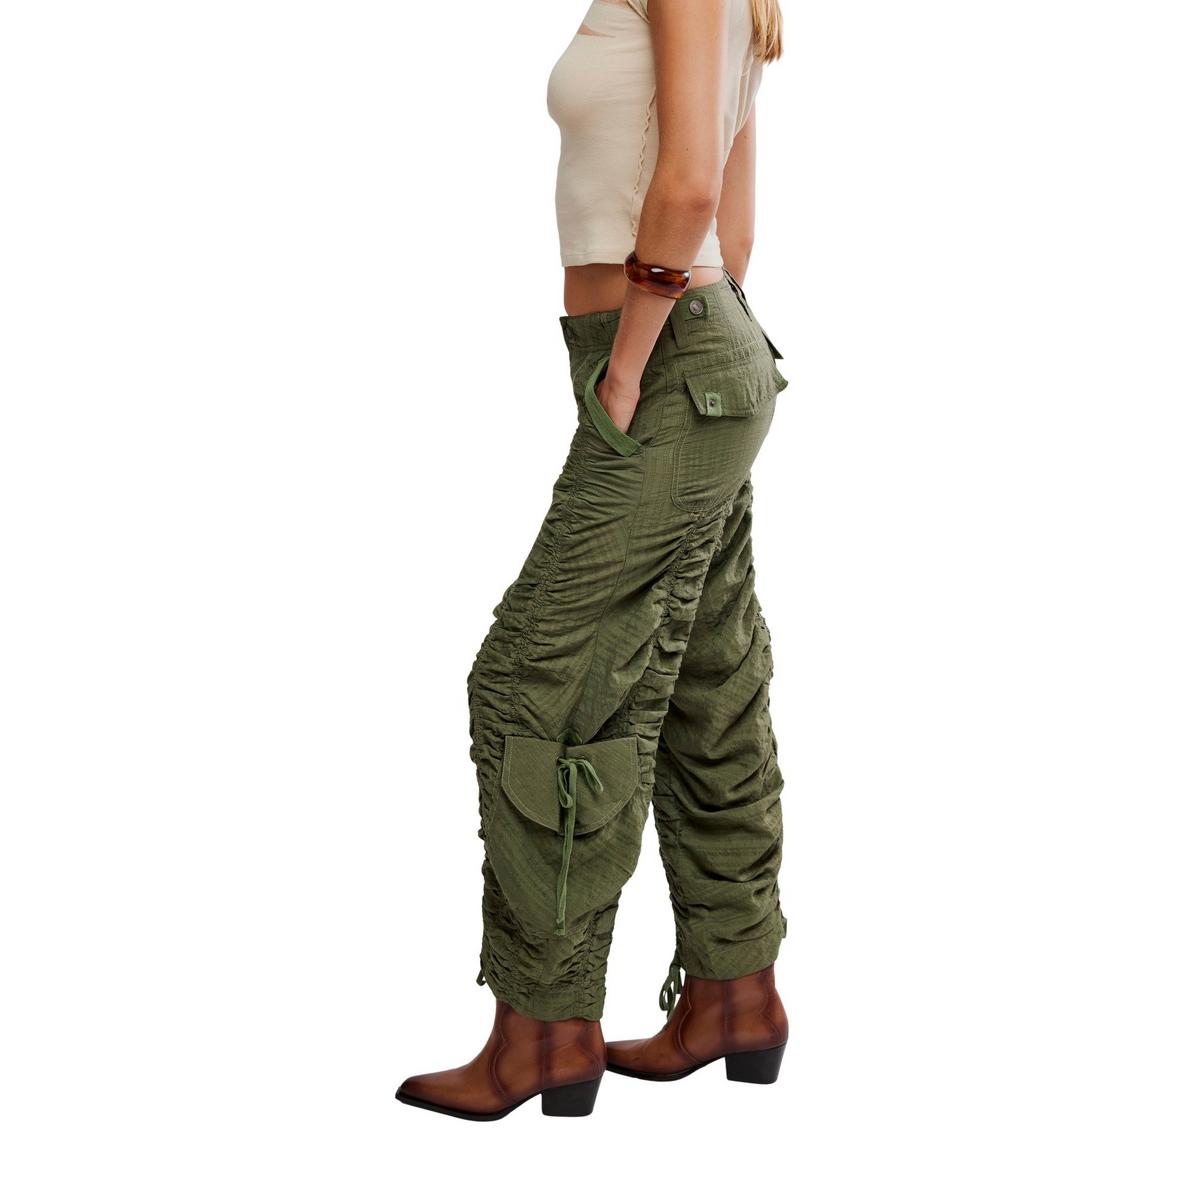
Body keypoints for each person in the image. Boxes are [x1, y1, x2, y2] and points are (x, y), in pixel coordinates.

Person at [397, 0, 790, 1121]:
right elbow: (735, 217)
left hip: (664, 363)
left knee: (534, 681)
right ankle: (733, 996)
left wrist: (627, 369)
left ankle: (543, 1029)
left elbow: (692, 191)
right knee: (705, 682)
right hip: (703, 350)